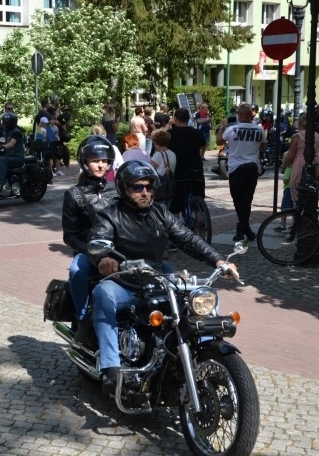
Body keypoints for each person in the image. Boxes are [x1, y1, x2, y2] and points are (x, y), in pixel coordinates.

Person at [87, 160, 239, 394]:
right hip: (124, 283)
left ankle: (203, 352)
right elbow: (99, 241)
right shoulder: (110, 215)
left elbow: (187, 239)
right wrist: (104, 258)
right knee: (102, 294)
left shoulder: (160, 213)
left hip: (155, 280)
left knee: (200, 296)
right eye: (137, 187)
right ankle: (110, 366)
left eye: (148, 186)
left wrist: (219, 261)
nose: (144, 192)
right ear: (124, 189)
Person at [61, 137, 118, 343]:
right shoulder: (74, 194)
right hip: (88, 250)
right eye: (95, 160)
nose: (101, 164)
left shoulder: (117, 189)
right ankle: (83, 318)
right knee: (77, 271)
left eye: (104, 160)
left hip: (118, 249)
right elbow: (70, 235)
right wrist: (89, 250)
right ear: (85, 162)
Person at [219, 103, 265, 241]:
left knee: (238, 200)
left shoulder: (232, 129)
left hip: (236, 168)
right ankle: (245, 229)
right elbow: (262, 147)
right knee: (247, 199)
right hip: (252, 167)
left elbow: (218, 141)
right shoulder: (259, 129)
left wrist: (222, 126)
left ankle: (241, 230)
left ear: (240, 115)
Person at [167, 108, 206, 215]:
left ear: (175, 119)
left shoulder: (170, 134)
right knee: (198, 196)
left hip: (179, 169)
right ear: (188, 119)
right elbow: (203, 145)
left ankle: (175, 228)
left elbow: (160, 142)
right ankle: (200, 219)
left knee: (176, 203)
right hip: (196, 167)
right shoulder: (197, 133)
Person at [282, 112, 319, 204]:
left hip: (300, 163)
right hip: (315, 162)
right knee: (312, 189)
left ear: (300, 123)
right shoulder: (316, 135)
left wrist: (283, 167)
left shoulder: (297, 136)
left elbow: (290, 156)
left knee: (298, 190)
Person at [0, 112, 25, 192]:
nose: (3, 123)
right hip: (9, 156)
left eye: (5, 122)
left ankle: (0, 184)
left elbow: (11, 144)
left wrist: (2, 146)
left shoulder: (16, 132)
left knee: (3, 160)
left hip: (17, 158)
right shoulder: (5, 131)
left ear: (10, 123)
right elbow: (0, 140)